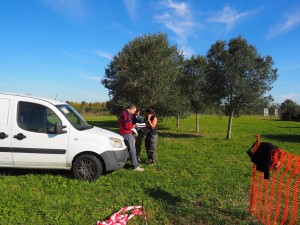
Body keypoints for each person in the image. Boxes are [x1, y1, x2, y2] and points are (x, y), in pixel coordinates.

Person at [119, 104, 144, 171]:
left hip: (124, 133)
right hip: (127, 134)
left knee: (126, 149)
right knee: (132, 150)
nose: (134, 112)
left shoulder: (124, 113)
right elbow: (127, 126)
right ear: (131, 109)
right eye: (134, 111)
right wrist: (133, 127)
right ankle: (135, 166)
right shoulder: (126, 114)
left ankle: (123, 163)